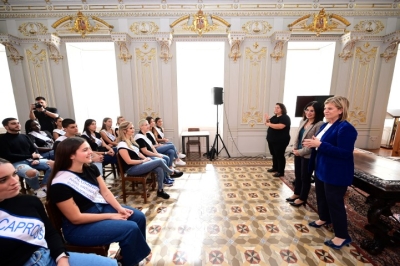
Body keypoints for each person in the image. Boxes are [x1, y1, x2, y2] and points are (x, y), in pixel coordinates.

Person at [47, 137, 151, 266]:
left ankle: (126, 257)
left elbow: (105, 192)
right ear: (71, 155)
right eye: (85, 150)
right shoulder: (60, 184)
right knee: (130, 229)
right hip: (78, 228)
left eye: (89, 148)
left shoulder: (90, 168)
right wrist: (112, 216)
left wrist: (120, 209)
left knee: (138, 217)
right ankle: (130, 262)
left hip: (99, 208)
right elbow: (76, 218)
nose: (91, 152)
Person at [0, 158, 117, 266]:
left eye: (14, 174)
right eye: (3, 180)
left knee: (110, 264)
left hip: (47, 256)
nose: (14, 181)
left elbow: (50, 233)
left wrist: (62, 258)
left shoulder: (30, 201)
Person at [303, 96, 357, 250]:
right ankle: (324, 218)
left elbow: (345, 153)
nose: (325, 111)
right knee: (322, 197)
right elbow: (321, 145)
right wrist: (313, 144)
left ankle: (342, 236)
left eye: (330, 108)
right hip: (322, 168)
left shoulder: (346, 128)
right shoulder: (326, 126)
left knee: (335, 202)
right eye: (325, 108)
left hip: (336, 172)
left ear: (340, 110)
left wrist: (319, 144)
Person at [117, 121, 173, 199]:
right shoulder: (121, 145)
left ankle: (160, 191)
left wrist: (145, 158)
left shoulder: (130, 141)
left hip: (138, 164)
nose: (133, 129)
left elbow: (138, 153)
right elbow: (128, 161)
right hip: (132, 169)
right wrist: (143, 161)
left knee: (159, 168)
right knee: (160, 161)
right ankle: (171, 172)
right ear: (124, 131)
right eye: (130, 128)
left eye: (133, 128)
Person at [0, 118, 52, 198]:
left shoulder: (24, 136)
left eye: (18, 123)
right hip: (16, 163)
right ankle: (37, 190)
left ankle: (44, 185)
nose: (17, 125)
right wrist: (30, 156)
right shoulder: (3, 140)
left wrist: (36, 159)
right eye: (13, 123)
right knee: (32, 172)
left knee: (54, 164)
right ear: (6, 127)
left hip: (31, 160)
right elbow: (8, 156)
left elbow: (34, 149)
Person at [286, 101, 324, 207]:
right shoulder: (303, 121)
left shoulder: (319, 124)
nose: (309, 112)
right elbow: (297, 136)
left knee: (305, 177)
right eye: (307, 110)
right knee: (298, 175)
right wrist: (294, 149)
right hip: (298, 152)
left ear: (317, 112)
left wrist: (300, 151)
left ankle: (302, 198)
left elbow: (314, 143)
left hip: (308, 155)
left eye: (312, 111)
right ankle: (296, 193)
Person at [134, 119, 183, 185]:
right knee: (164, 158)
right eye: (146, 125)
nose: (148, 126)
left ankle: (166, 177)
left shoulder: (145, 134)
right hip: (146, 156)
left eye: (148, 124)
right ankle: (166, 178)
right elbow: (145, 151)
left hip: (152, 154)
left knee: (167, 157)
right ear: (141, 127)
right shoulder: (139, 137)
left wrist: (157, 154)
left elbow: (152, 146)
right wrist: (157, 155)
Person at [265, 103, 291, 177]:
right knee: (274, 154)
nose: (276, 109)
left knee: (279, 155)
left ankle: (280, 171)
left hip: (280, 141)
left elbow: (280, 126)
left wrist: (269, 124)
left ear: (282, 109)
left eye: (278, 108)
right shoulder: (274, 117)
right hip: (272, 140)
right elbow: (267, 123)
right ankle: (275, 167)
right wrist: (267, 120)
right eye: (275, 107)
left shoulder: (285, 117)